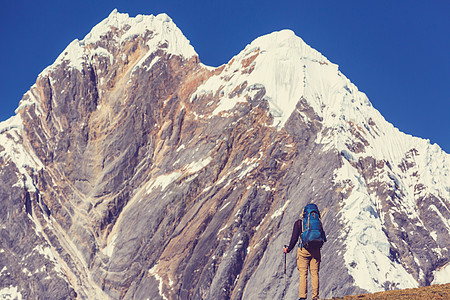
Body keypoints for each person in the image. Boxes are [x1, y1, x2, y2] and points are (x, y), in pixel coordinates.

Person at [283, 204, 326, 300]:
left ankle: (303, 297)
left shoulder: (299, 223)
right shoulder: (318, 222)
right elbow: (323, 236)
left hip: (303, 251)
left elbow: (294, 239)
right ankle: (315, 296)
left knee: (303, 274)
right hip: (316, 251)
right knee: (314, 274)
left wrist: (288, 249)